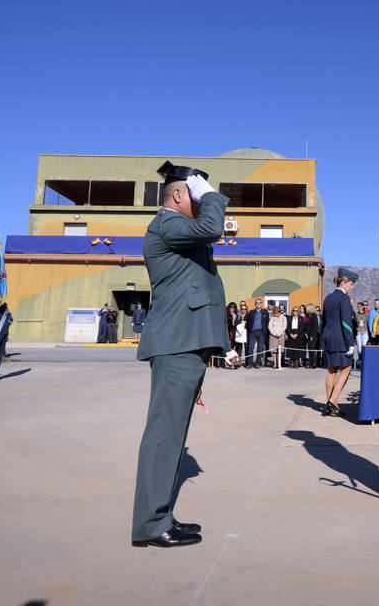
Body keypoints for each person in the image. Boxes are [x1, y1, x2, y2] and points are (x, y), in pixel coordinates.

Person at [131, 162, 227, 549]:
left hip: (186, 342)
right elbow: (213, 227)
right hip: (175, 343)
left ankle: (161, 515)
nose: (203, 202)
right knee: (163, 437)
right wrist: (210, 196)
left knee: (173, 436)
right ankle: (151, 525)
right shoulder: (166, 224)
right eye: (195, 195)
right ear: (177, 196)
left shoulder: (179, 232)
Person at [320, 270, 358, 415]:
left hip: (328, 337)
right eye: (351, 284)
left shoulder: (328, 298)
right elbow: (346, 322)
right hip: (340, 339)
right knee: (346, 368)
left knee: (331, 370)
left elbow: (324, 321)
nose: (352, 287)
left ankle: (331, 405)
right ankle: (333, 401)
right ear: (343, 283)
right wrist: (350, 343)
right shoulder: (344, 298)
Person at [244, 297, 269, 368]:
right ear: (255, 304)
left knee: (260, 348)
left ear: (261, 304)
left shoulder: (265, 312)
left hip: (261, 332)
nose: (258, 304)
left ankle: (258, 363)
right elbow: (247, 320)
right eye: (257, 303)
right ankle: (250, 363)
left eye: (259, 303)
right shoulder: (251, 312)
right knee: (250, 348)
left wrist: (265, 331)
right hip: (252, 332)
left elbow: (267, 322)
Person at [268, 305, 287, 369]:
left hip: (280, 336)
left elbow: (284, 326)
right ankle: (275, 364)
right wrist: (274, 333)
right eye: (275, 313)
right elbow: (269, 327)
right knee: (274, 351)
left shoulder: (284, 318)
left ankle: (279, 363)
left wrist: (279, 333)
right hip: (273, 336)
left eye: (277, 312)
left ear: (279, 312)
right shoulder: (272, 318)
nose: (276, 314)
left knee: (280, 351)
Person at [304, 304, 320, 369]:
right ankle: (310, 363)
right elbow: (306, 325)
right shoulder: (308, 316)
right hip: (307, 335)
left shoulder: (314, 316)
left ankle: (314, 363)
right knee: (309, 349)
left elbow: (315, 326)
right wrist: (306, 333)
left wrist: (312, 336)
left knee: (312, 349)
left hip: (313, 335)